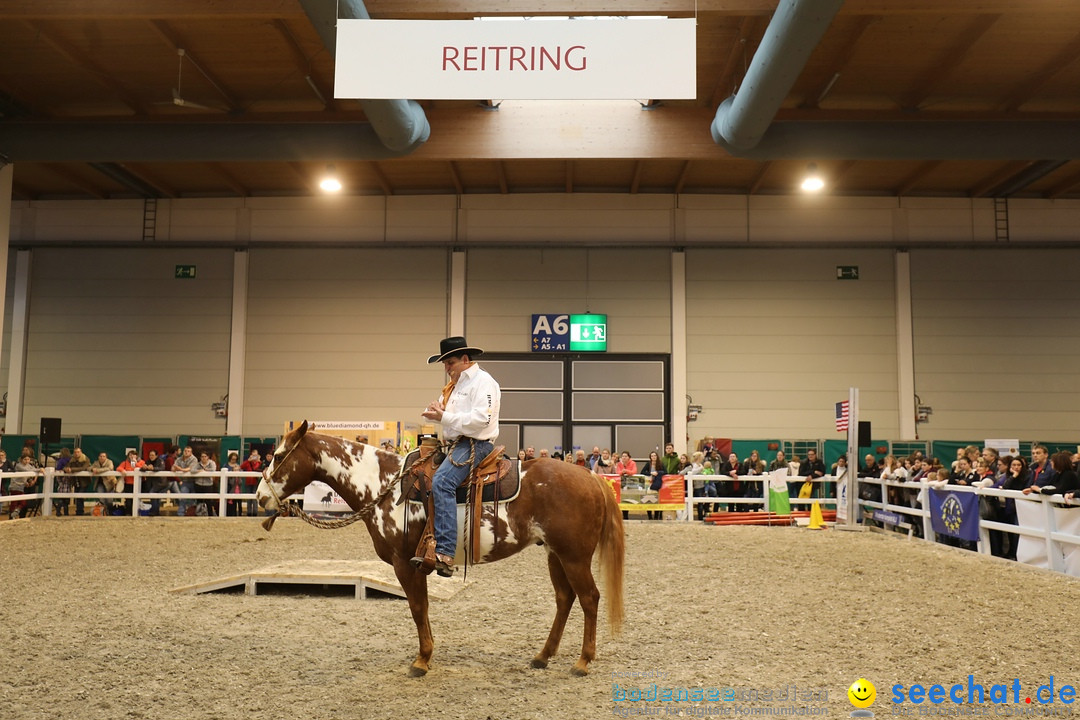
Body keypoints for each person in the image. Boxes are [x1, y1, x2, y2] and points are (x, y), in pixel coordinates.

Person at [417, 336, 501, 578]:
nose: (447, 368)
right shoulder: (456, 386)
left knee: (442, 481)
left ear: (465, 359)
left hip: (475, 444)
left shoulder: (483, 383)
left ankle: (445, 552)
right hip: (455, 444)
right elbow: (443, 413)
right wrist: (436, 412)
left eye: (450, 363)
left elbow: (480, 421)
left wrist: (442, 417)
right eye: (445, 364)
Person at [115, 449, 146, 515]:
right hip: (128, 484)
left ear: (137, 456)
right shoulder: (125, 462)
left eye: (134, 455)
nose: (132, 456)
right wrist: (122, 470)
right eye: (130, 455)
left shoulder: (141, 462)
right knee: (128, 500)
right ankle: (128, 513)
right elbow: (118, 468)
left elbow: (143, 468)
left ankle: (136, 513)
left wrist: (136, 463)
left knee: (137, 500)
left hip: (138, 484)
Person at [171, 446, 199, 516]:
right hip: (184, 481)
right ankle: (181, 513)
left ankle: (191, 513)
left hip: (194, 481)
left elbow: (190, 469)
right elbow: (173, 468)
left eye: (188, 451)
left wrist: (179, 469)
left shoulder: (194, 459)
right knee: (183, 497)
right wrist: (174, 468)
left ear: (191, 453)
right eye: (185, 451)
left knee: (193, 498)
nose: (186, 452)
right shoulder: (179, 459)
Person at [64, 447, 92, 515]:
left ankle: (79, 512)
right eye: (75, 452)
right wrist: (66, 469)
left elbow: (83, 468)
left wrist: (72, 469)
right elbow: (66, 466)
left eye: (78, 452)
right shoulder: (71, 460)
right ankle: (79, 511)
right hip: (76, 481)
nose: (76, 454)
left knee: (80, 495)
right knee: (78, 496)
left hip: (84, 481)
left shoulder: (86, 459)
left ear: (81, 452)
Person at [641, 451, 665, 520]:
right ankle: (650, 516)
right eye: (652, 456)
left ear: (657, 456)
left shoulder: (660, 463)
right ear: (650, 457)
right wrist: (650, 473)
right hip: (649, 483)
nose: (653, 457)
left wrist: (657, 473)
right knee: (648, 499)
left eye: (655, 455)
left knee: (656, 499)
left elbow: (665, 472)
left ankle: (656, 516)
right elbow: (642, 472)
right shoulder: (648, 464)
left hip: (657, 483)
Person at [240, 449, 263, 516]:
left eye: (256, 455)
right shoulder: (248, 462)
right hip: (248, 482)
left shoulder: (259, 463)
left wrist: (259, 460)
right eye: (253, 455)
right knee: (249, 499)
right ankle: (249, 512)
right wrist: (248, 460)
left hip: (256, 482)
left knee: (255, 498)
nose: (254, 457)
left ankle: (255, 512)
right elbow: (242, 467)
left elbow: (262, 468)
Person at [194, 451, 218, 516]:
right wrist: (200, 471)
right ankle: (199, 514)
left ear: (208, 457)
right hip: (198, 484)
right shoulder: (198, 464)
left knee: (208, 501)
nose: (203, 458)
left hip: (208, 484)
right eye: (202, 456)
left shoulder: (212, 463)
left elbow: (213, 469)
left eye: (205, 456)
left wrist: (205, 470)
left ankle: (210, 515)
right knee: (199, 501)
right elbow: (192, 470)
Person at [52, 448, 73, 515]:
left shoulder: (60, 461)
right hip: (67, 486)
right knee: (66, 501)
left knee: (61, 500)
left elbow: (58, 468)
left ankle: (58, 511)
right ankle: (66, 513)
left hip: (61, 485)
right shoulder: (71, 460)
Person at [225, 451, 242, 516]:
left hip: (238, 490)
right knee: (232, 504)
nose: (234, 460)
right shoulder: (226, 465)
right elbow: (231, 482)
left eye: (235, 459)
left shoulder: (238, 466)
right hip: (230, 487)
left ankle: (240, 514)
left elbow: (240, 482)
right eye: (232, 459)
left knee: (239, 503)